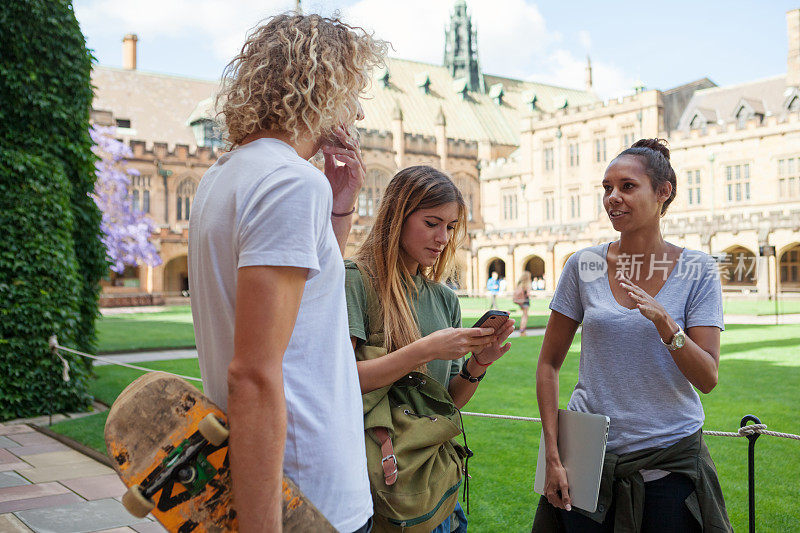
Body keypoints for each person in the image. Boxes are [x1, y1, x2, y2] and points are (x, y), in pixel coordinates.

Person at [188, 13, 386, 533]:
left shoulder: (225, 174)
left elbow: (307, 301)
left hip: (271, 475)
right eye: (352, 90)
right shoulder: (290, 182)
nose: (357, 109)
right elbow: (252, 373)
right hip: (307, 490)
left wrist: (339, 207)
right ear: (322, 84)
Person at [533, 139, 732, 532]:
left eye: (627, 186)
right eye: (607, 188)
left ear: (663, 192)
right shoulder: (583, 265)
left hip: (669, 465)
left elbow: (707, 378)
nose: (613, 198)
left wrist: (666, 325)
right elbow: (548, 364)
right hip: (588, 462)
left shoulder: (698, 270)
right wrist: (554, 456)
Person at [345, 165, 516, 532]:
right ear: (397, 217)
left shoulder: (443, 299)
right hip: (378, 487)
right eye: (431, 223)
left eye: (451, 227)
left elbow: (447, 403)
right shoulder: (355, 281)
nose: (442, 238)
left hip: (440, 488)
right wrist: (425, 349)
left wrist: (477, 365)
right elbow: (339, 382)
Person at [513, 271, 532, 336]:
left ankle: (522, 329)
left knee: (523, 315)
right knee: (525, 316)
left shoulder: (519, 284)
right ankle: (522, 329)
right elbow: (528, 293)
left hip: (520, 301)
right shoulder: (527, 284)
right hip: (525, 301)